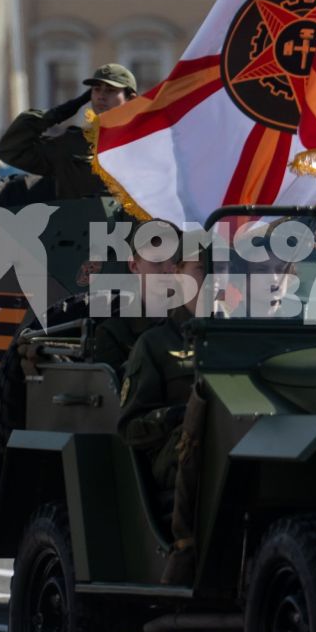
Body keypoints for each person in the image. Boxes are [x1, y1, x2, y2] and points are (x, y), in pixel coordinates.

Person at [118, 250, 205, 583]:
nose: (211, 280)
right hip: (178, 451)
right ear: (177, 271)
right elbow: (130, 428)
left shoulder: (247, 334)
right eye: (201, 269)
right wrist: (180, 416)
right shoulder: (156, 343)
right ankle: (186, 548)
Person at [0, 64, 138, 198]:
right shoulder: (74, 143)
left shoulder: (145, 142)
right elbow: (11, 150)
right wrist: (60, 112)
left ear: (131, 99)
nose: (101, 96)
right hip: (79, 222)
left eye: (110, 90)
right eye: (96, 89)